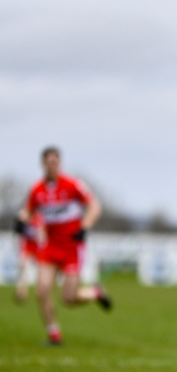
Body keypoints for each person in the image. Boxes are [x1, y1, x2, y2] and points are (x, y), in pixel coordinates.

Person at [17, 147, 109, 345]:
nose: (52, 166)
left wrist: (85, 226)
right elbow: (27, 211)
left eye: (55, 162)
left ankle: (94, 292)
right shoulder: (37, 190)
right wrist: (21, 220)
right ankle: (54, 334)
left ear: (60, 164)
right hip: (50, 247)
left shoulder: (72, 185)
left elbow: (94, 206)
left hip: (71, 247)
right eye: (49, 162)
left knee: (68, 298)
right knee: (42, 289)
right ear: (43, 164)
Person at [12, 211, 45, 303]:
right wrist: (21, 222)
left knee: (41, 270)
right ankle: (22, 290)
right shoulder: (24, 215)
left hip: (38, 247)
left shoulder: (40, 217)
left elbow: (43, 234)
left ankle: (39, 290)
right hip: (27, 246)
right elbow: (18, 229)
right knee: (22, 266)